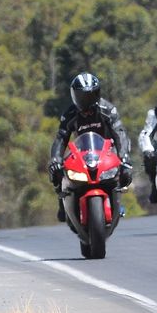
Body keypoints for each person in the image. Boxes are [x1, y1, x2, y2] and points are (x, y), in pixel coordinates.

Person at [47, 72, 132, 222]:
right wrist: (55, 160)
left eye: (92, 95)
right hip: (81, 154)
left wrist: (124, 157)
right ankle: (62, 203)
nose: (87, 101)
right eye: (82, 97)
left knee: (124, 172)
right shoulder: (70, 114)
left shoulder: (108, 109)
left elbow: (120, 134)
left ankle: (116, 200)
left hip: (106, 153)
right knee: (57, 171)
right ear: (74, 96)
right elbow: (61, 138)